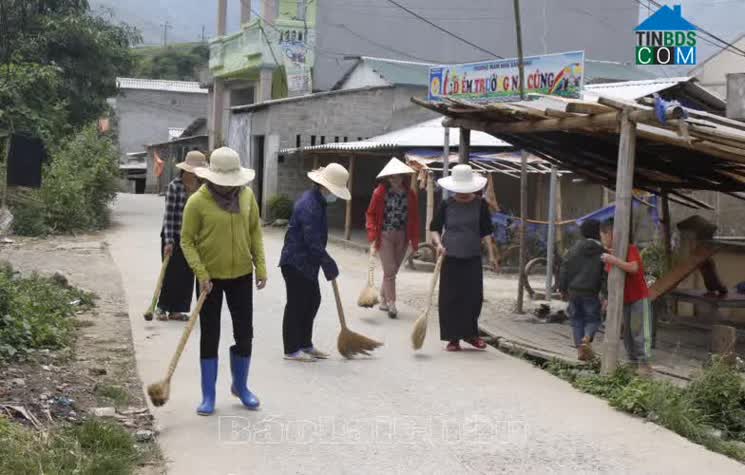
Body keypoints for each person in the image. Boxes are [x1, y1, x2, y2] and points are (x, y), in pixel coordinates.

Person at [180, 147, 267, 415]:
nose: (230, 188)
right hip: (210, 280)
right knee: (210, 334)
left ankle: (240, 387)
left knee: (244, 334)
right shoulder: (197, 202)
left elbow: (254, 231)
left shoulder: (247, 196)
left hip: (241, 274)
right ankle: (209, 395)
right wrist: (201, 273)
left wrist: (260, 266)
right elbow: (187, 240)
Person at [279, 163, 350, 362]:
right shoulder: (309, 206)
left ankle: (305, 344)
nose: (335, 195)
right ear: (325, 187)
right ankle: (292, 349)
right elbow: (312, 242)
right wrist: (328, 263)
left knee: (312, 301)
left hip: (308, 263)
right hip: (295, 262)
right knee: (296, 304)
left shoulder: (319, 201)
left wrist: (325, 263)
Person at [429, 164, 498, 352]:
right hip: (450, 257)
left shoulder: (480, 205)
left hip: (472, 256)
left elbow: (486, 232)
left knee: (473, 297)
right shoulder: (447, 204)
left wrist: (491, 255)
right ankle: (453, 338)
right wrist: (438, 244)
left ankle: (471, 335)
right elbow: (434, 227)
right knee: (450, 298)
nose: (461, 194)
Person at [365, 157, 420, 318]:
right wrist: (372, 234)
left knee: (392, 270)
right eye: (391, 176)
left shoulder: (410, 195)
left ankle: (383, 299)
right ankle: (392, 303)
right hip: (385, 235)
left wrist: (414, 238)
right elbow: (370, 214)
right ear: (387, 178)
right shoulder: (379, 193)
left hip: (402, 235)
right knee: (390, 270)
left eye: (397, 176)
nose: (394, 179)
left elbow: (415, 217)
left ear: (402, 177)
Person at [157, 150, 207, 322]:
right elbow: (169, 216)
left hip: (193, 239)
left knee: (187, 274)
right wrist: (169, 241)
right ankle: (162, 307)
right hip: (174, 234)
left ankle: (177, 310)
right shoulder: (174, 186)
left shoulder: (203, 188)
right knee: (171, 272)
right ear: (186, 170)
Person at [599, 219, 653, 376]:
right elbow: (612, 279)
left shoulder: (629, 248)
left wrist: (614, 260)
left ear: (609, 233)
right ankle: (633, 362)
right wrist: (608, 299)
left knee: (640, 331)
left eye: (602, 235)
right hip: (625, 300)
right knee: (628, 334)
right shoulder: (611, 254)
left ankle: (644, 364)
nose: (602, 239)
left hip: (638, 298)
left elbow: (634, 267)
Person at [559, 219, 605, 361]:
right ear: (598, 232)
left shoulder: (573, 250)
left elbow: (564, 269)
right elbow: (605, 276)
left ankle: (580, 350)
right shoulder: (602, 252)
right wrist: (606, 294)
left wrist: (562, 289)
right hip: (591, 292)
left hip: (573, 292)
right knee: (593, 319)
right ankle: (587, 337)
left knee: (577, 319)